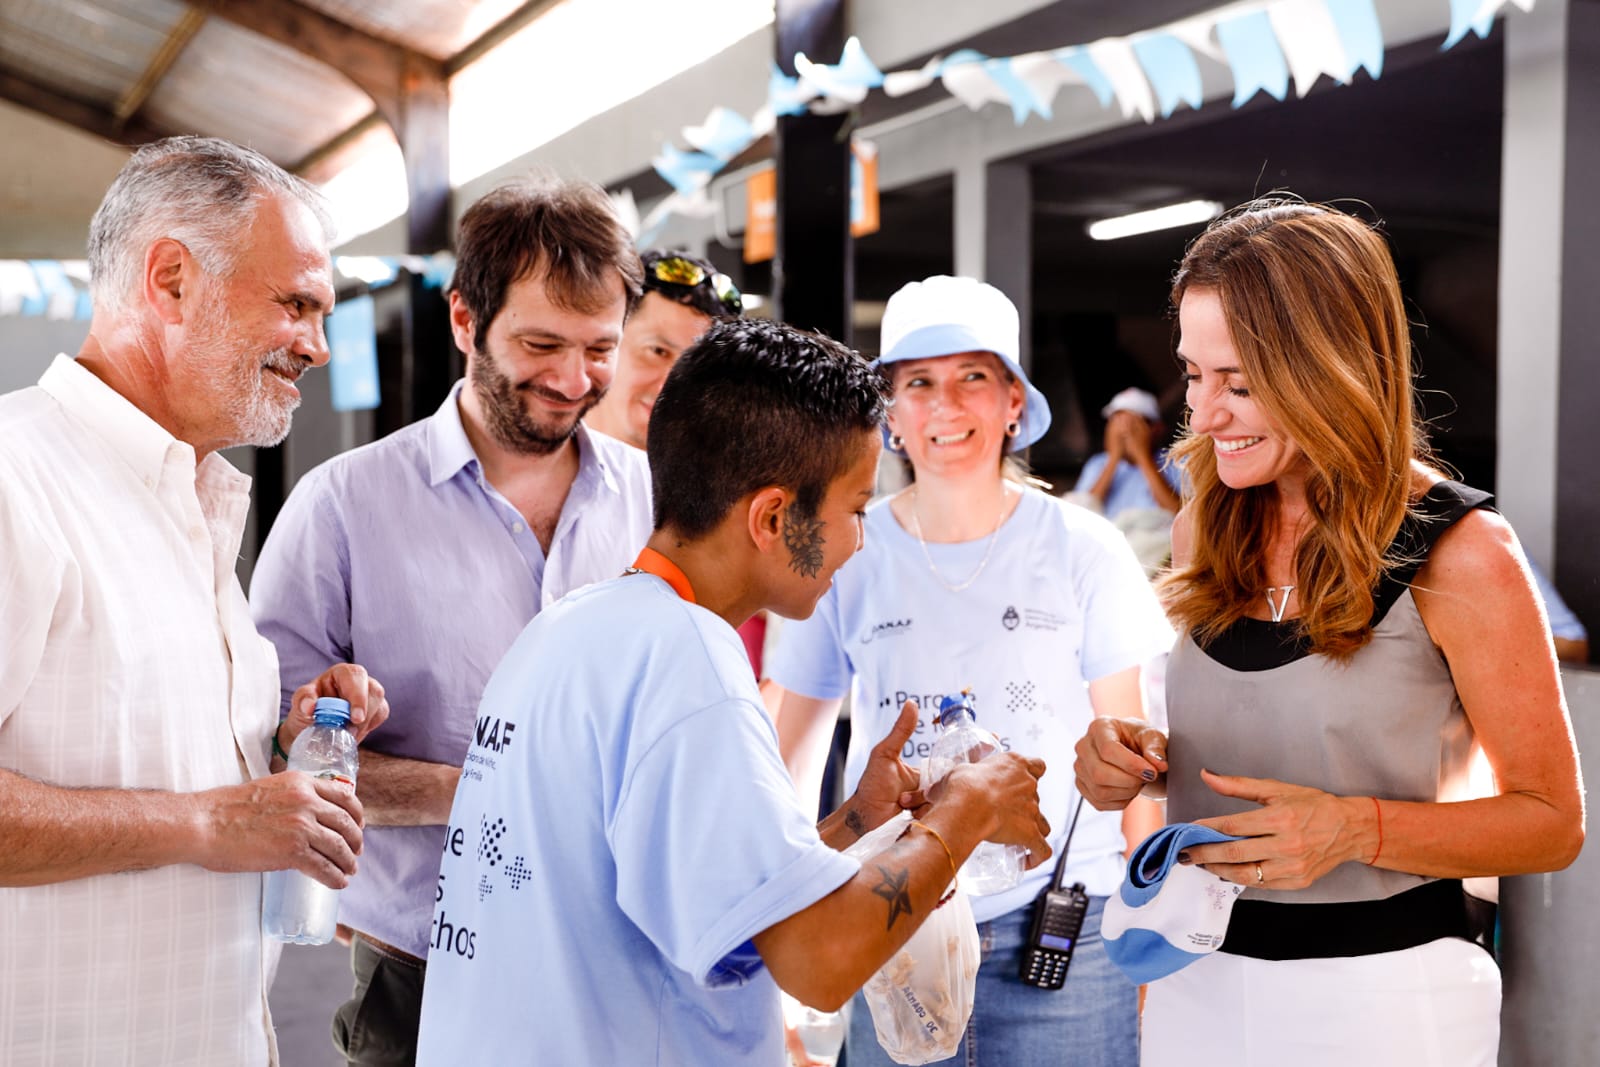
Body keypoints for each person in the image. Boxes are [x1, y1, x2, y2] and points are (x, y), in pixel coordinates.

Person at [412, 318, 1054, 1065]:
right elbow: (818, 962)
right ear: (774, 517)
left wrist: (855, 819)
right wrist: (965, 811)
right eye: (853, 508)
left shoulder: (572, 629)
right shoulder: (690, 666)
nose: (859, 538)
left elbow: (721, 896)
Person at [1074, 199, 1585, 1067]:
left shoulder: (1461, 553)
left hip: (1386, 995)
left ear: (1332, 369)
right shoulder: (1208, 524)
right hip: (1198, 974)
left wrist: (1356, 828)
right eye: (1193, 376)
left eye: (1238, 383)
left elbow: (1552, 822)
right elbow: (1244, 751)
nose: (1203, 415)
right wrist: (1129, 767)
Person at [0, 136, 389, 1066]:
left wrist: (289, 742)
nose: (319, 346)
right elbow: (207, 816)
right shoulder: (15, 477)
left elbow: (145, 753)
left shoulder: (195, 502)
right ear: (171, 280)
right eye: (295, 303)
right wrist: (213, 822)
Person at [250, 177, 653, 1064]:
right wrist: (500, 797)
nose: (572, 378)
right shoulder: (343, 506)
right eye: (541, 343)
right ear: (466, 321)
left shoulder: (658, 501)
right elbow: (275, 756)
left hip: (624, 964)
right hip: (421, 979)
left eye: (599, 349)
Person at [770, 275, 1173, 1067]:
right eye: (917, 382)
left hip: (1070, 932)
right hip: (889, 916)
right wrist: (786, 947)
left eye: (972, 378)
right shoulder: (846, 551)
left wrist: (1148, 925)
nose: (944, 407)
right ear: (888, 410)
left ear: (1014, 402)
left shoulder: (1083, 550)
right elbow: (789, 757)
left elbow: (1131, 758)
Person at [584, 248, 743, 450]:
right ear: (601, 344)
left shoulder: (709, 478)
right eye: (658, 351)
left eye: (696, 368)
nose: (670, 387)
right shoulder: (537, 466)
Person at [1073, 386, 1182, 520]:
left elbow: (1180, 514)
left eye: (1134, 424)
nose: (1124, 431)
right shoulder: (1097, 464)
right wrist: (1113, 458)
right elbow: (1080, 514)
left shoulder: (1177, 461)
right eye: (1116, 422)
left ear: (1157, 429)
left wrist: (1143, 457)